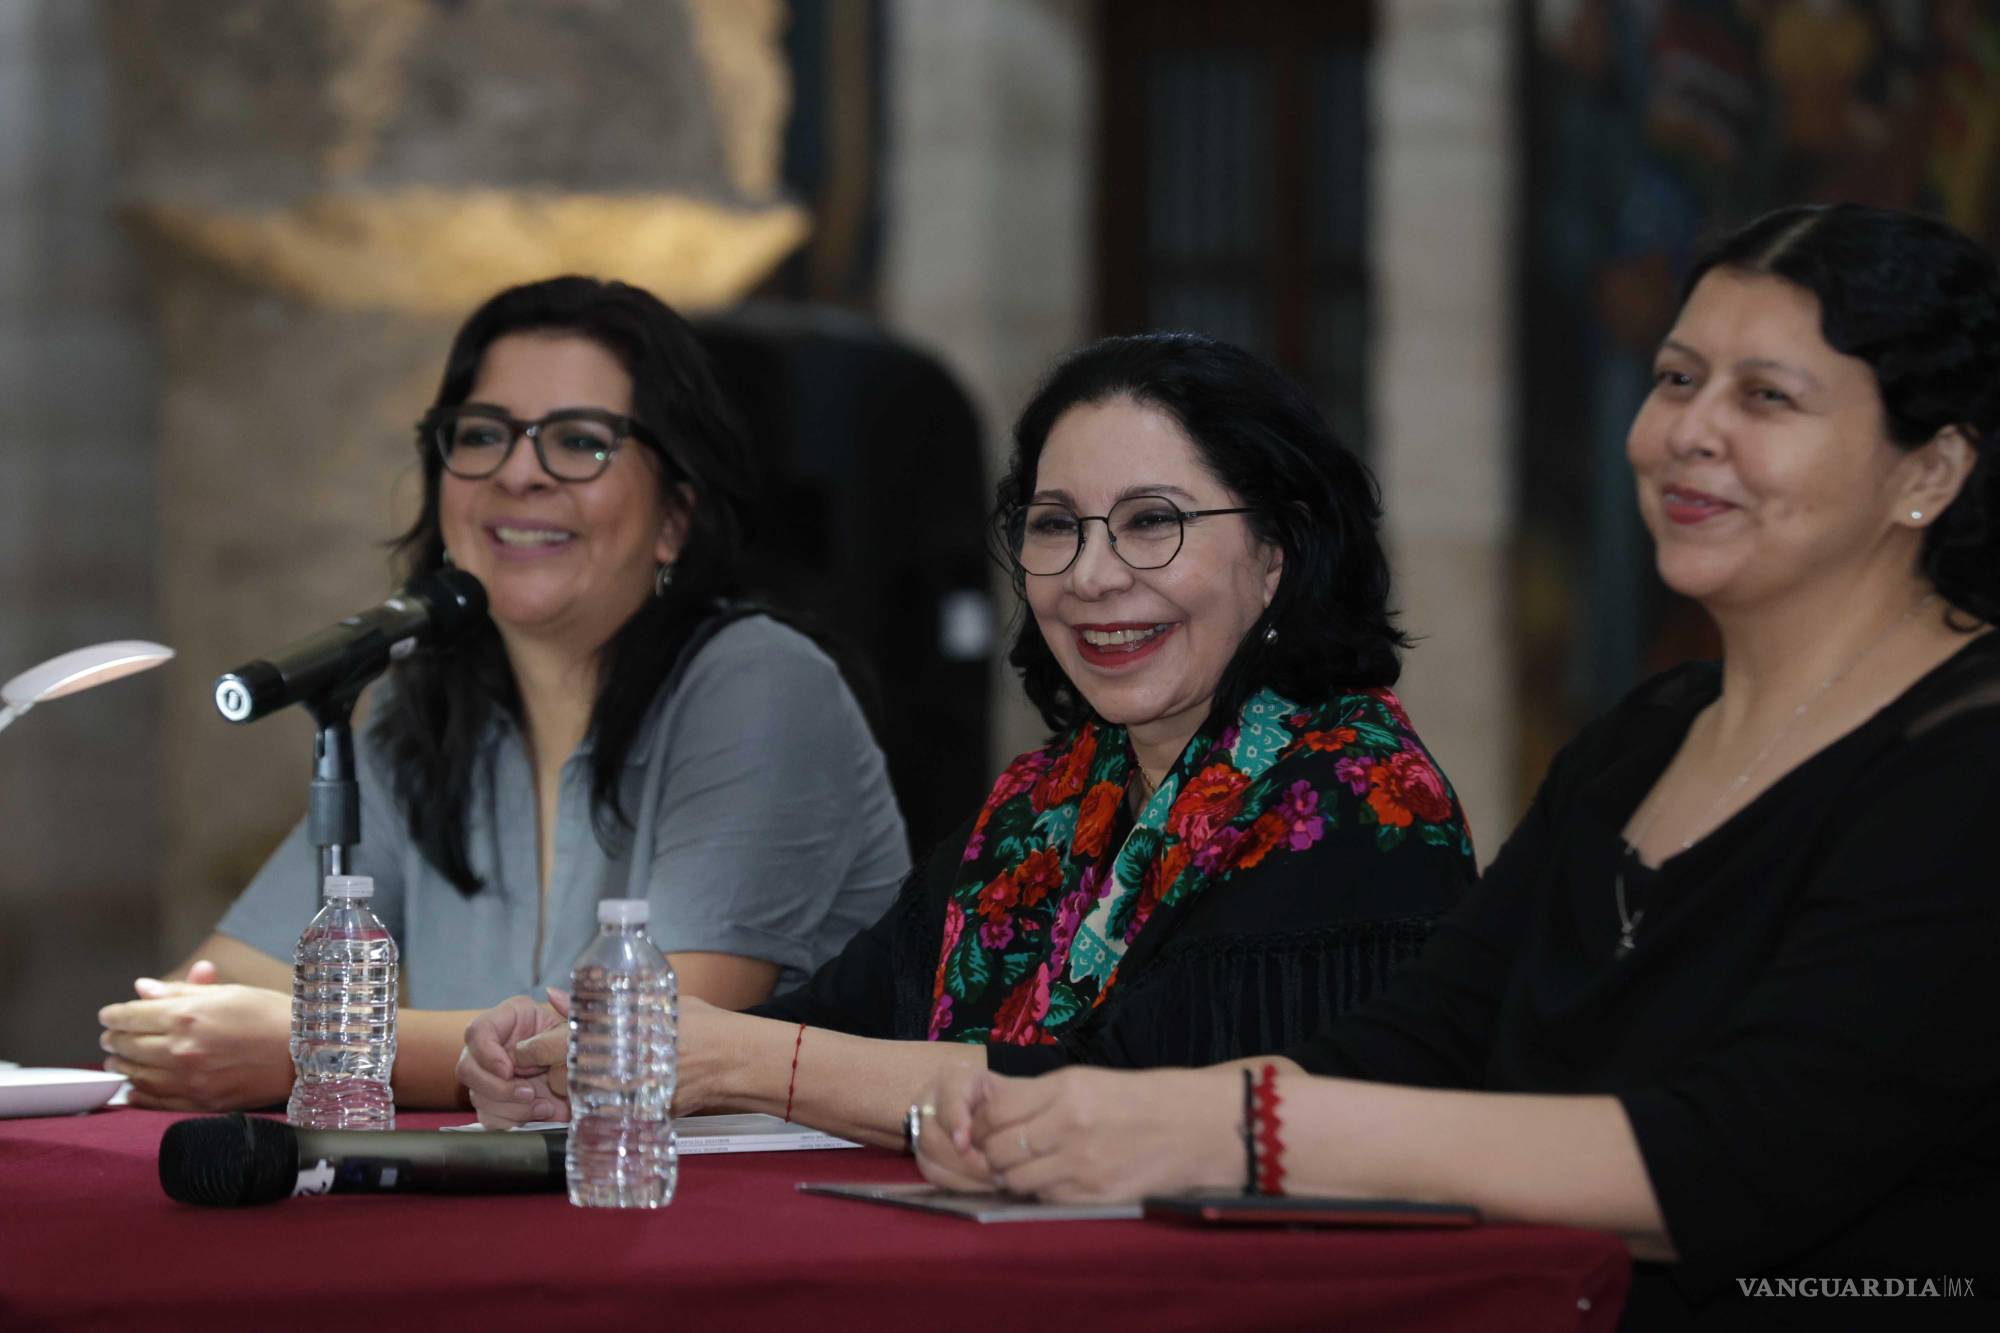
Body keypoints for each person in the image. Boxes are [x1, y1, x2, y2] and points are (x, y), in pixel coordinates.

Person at [916, 204, 2000, 1327]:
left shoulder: (1964, 764)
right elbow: (1409, 1047)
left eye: (1763, 396)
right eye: (1675, 380)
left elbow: (1723, 1160)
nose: (1688, 431)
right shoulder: (1643, 738)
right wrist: (1080, 1116)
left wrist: (1227, 1133)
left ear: (1927, 467)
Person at [461, 332, 1477, 1144]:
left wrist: (729, 1061)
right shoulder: (1049, 802)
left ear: (1276, 556)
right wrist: (597, 1044)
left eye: (1150, 521)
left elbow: (1125, 1099)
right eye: (1053, 525)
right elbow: (843, 1019)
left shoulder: (1354, 796)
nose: (1089, 575)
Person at [97, 277, 909, 1111]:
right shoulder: (431, 718)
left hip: (715, 1217)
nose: (520, 472)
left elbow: (637, 1037)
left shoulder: (762, 687)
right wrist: (190, 1025)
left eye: (581, 441)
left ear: (675, 517)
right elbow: (226, 979)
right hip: (496, 1210)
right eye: (483, 434)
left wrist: (313, 1043)